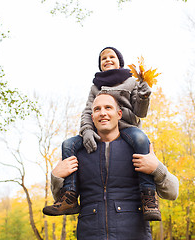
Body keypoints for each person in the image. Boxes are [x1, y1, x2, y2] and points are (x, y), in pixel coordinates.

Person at [43, 47, 160, 221]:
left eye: (111, 56)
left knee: (141, 139)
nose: (107, 60)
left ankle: (148, 196)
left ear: (120, 61)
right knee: (68, 145)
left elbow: (140, 112)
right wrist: (87, 130)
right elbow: (88, 112)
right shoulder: (96, 86)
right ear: (100, 65)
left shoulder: (131, 81)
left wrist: (144, 97)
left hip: (127, 127)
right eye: (103, 58)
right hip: (99, 129)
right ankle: (70, 194)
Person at [45, 94, 179, 239]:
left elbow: (172, 193)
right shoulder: (78, 152)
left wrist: (157, 168)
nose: (103, 113)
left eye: (108, 108)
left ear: (119, 114)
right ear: (92, 117)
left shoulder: (138, 147)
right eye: (97, 109)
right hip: (89, 234)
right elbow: (62, 200)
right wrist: (56, 176)